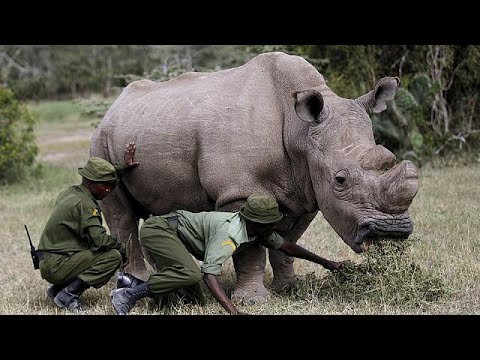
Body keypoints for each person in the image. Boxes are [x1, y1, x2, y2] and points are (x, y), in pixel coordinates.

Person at [111, 193, 344, 315]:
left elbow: (287, 246)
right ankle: (128, 295)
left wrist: (327, 263)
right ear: (257, 223)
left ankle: (128, 283)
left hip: (176, 232)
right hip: (160, 229)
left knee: (192, 302)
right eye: (270, 223)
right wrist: (233, 311)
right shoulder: (231, 234)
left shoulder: (257, 231)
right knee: (190, 274)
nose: (274, 227)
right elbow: (209, 275)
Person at [38, 142, 139, 312]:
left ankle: (57, 290)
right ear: (91, 184)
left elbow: (104, 178)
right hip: (57, 264)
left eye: (110, 185)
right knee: (112, 256)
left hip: (50, 260)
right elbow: (99, 241)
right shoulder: (86, 206)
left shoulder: (71, 193)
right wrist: (121, 248)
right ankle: (68, 295)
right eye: (105, 186)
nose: (108, 190)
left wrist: (123, 167)